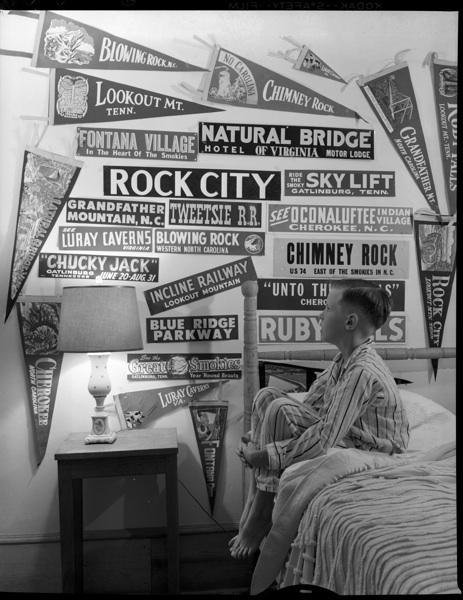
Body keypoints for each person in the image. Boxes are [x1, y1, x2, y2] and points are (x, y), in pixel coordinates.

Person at [229, 279, 409, 559]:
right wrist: (259, 437)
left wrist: (265, 455)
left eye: (326, 308)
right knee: (267, 396)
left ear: (349, 322)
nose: (319, 315)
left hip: (373, 451)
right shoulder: (343, 361)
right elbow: (313, 404)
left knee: (279, 409)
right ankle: (259, 492)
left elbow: (324, 438)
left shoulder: (362, 371)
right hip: (348, 434)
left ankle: (263, 505)